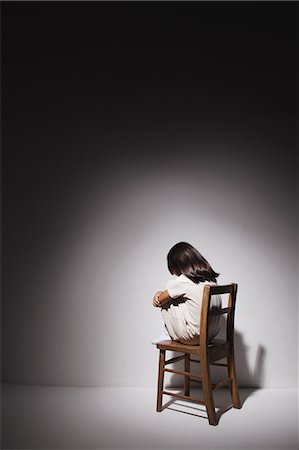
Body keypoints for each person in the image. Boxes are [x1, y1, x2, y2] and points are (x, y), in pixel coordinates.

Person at [152, 242, 222, 345]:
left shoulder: (183, 281)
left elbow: (159, 301)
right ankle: (168, 332)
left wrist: (158, 293)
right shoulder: (211, 280)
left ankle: (167, 333)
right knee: (177, 296)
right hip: (211, 334)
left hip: (194, 337)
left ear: (178, 264)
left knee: (169, 288)